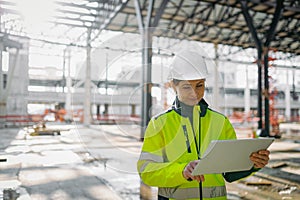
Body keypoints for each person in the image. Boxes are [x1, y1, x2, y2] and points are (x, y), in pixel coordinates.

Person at [137, 48, 270, 200]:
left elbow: (230, 172)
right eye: (187, 87)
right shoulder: (159, 124)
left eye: (199, 85)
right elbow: (147, 171)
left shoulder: (221, 122)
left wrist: (253, 164)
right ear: (173, 86)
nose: (194, 93)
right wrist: (182, 171)